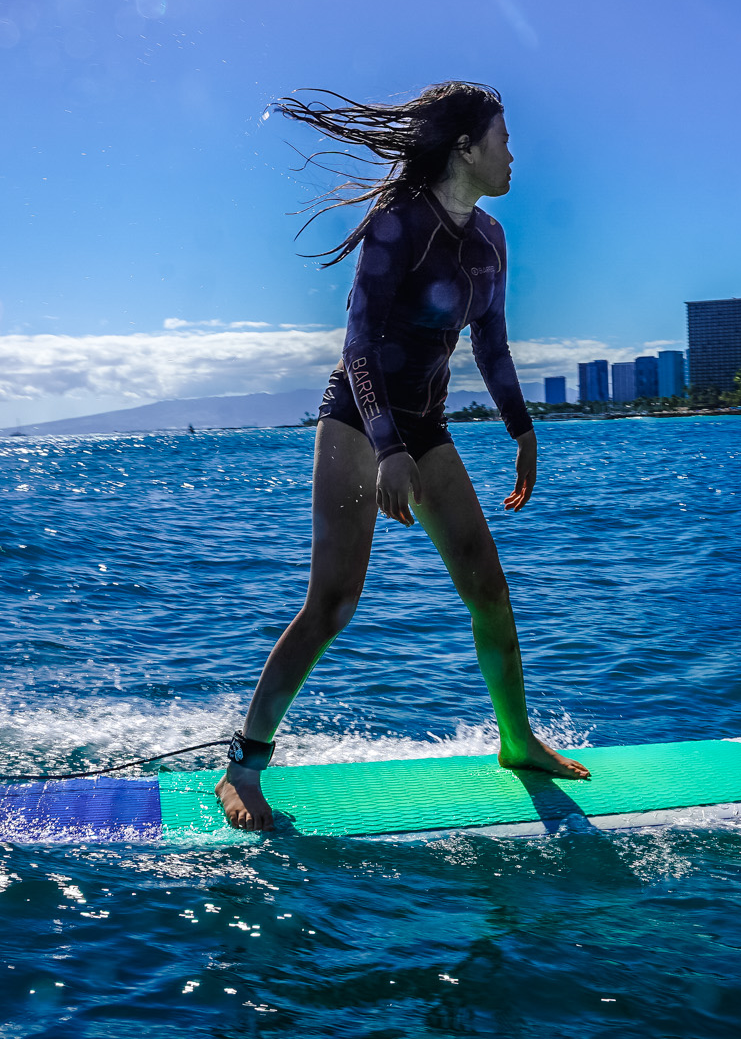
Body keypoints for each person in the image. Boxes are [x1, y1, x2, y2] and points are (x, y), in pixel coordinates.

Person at [216, 81, 589, 831]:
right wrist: (386, 446)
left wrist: (522, 428)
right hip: (360, 419)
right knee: (333, 602)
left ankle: (517, 743)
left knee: (488, 585)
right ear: (464, 146)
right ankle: (244, 763)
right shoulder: (399, 221)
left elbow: (490, 343)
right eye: (503, 137)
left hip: (425, 425)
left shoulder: (490, 240)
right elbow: (358, 345)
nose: (513, 153)